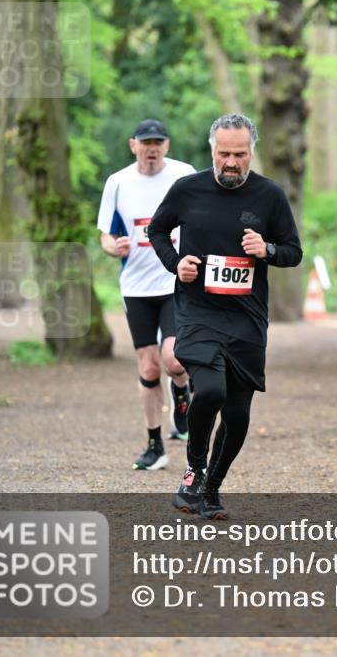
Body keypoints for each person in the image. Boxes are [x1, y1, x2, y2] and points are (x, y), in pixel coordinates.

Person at [148, 113, 302, 520]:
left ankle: (211, 489)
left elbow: (292, 251)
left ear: (252, 152)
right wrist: (176, 263)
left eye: (239, 154)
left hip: (247, 316)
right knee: (211, 391)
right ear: (212, 150)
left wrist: (266, 250)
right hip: (198, 310)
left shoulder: (270, 196)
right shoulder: (187, 189)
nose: (231, 162)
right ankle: (193, 472)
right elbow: (158, 232)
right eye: (223, 153)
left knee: (237, 413)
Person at [96, 119, 195, 472]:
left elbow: (203, 218)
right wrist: (113, 248)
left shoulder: (184, 176)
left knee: (175, 360)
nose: (151, 149)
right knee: (149, 366)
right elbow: (106, 235)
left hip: (174, 283)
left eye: (158, 142)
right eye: (145, 143)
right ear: (132, 145)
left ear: (167, 146)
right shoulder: (118, 183)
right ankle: (155, 445)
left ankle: (181, 391)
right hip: (135, 287)